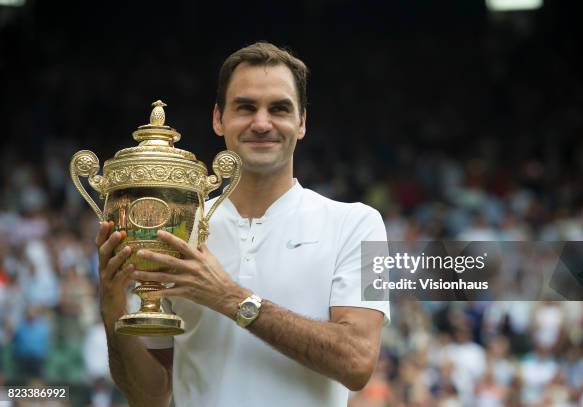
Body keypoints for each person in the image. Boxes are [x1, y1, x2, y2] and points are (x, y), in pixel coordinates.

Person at [96, 42, 389, 407]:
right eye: (246, 107)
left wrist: (231, 298)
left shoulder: (363, 224)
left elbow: (359, 362)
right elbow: (150, 396)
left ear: (301, 123)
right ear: (219, 118)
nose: (262, 123)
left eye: (279, 109)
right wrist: (111, 305)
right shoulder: (176, 229)